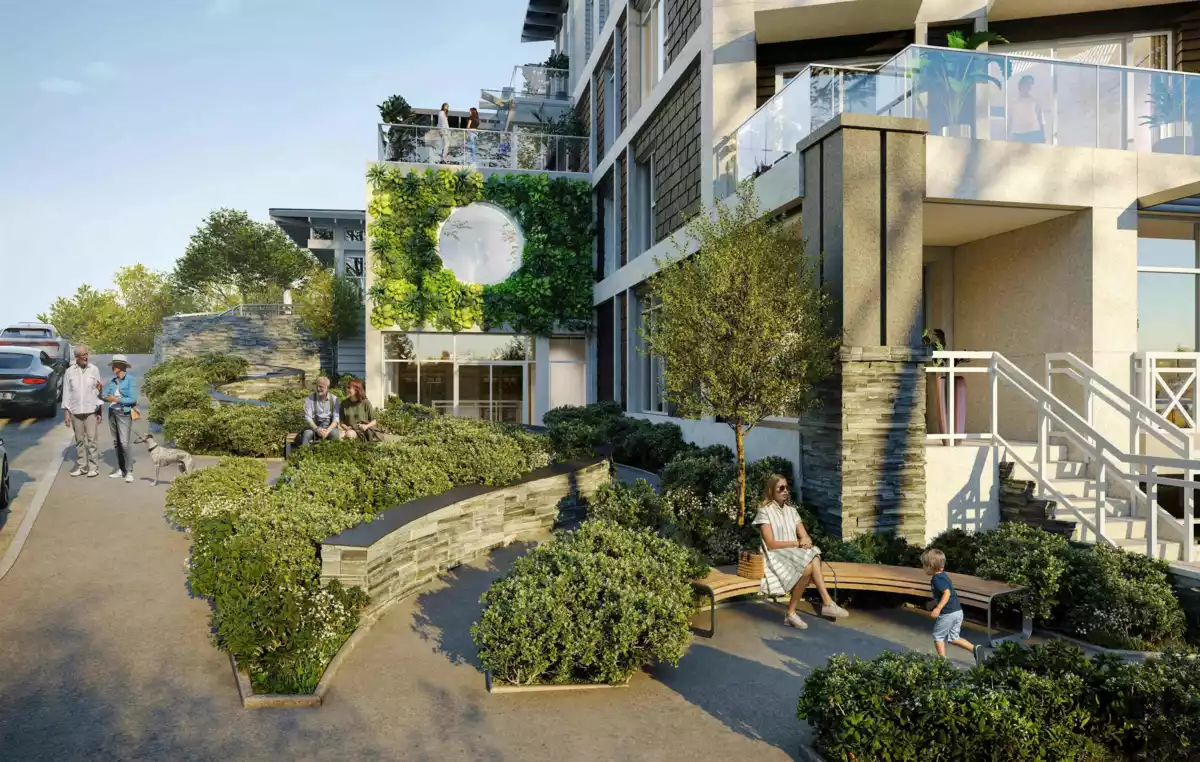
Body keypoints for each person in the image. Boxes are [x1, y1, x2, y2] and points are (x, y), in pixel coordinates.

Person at [754, 474, 849, 629]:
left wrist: (806, 541)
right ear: (771, 491)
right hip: (775, 554)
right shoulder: (764, 512)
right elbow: (770, 544)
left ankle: (812, 607)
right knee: (810, 563)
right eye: (781, 488)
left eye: (787, 487)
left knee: (813, 554)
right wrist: (797, 543)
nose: (785, 491)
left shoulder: (792, 511)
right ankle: (815, 606)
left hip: (793, 553)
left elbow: (804, 535)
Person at [922, 547, 977, 660]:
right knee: (954, 638)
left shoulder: (937, 579)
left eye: (924, 565)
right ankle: (975, 649)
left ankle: (942, 662)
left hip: (948, 613)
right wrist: (934, 603)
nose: (923, 568)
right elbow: (948, 593)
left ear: (930, 566)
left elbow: (947, 593)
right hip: (957, 611)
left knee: (938, 637)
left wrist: (938, 608)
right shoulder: (943, 576)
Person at [62, 344, 103, 478]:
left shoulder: (94, 370)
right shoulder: (69, 372)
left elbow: (98, 391)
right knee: (79, 441)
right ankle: (82, 466)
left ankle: (93, 467)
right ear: (76, 357)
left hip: (91, 410)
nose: (86, 357)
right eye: (83, 355)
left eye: (86, 354)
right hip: (75, 411)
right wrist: (67, 413)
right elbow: (66, 393)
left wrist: (99, 412)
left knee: (92, 441)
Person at [103, 355, 138, 483]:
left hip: (124, 413)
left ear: (122, 367)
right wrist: (101, 392)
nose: (113, 367)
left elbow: (133, 399)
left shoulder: (130, 380)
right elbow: (106, 396)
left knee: (124, 443)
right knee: (117, 443)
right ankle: (121, 469)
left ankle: (129, 471)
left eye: (115, 365)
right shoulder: (113, 381)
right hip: (112, 413)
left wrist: (117, 399)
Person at [300, 376, 342, 446]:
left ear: (327, 387)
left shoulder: (335, 400)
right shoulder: (309, 399)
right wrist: (317, 429)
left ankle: (334, 454)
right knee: (307, 433)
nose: (318, 389)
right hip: (315, 427)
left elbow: (336, 419)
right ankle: (304, 454)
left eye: (321, 387)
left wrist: (327, 431)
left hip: (329, 427)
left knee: (335, 433)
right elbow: (308, 417)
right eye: (317, 386)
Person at [1009, 75, 1045, 144]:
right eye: (1026, 83)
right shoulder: (1013, 102)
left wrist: (1042, 135)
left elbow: (1040, 118)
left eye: (1030, 84)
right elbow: (1010, 119)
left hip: (1033, 133)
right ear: (1021, 84)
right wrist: (1008, 135)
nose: (1028, 86)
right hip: (1018, 134)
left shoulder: (1035, 101)